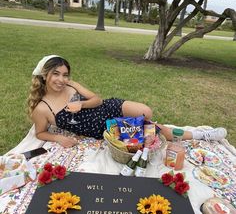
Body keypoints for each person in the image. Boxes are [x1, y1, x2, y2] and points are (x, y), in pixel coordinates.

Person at [28, 55, 227, 148]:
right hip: (103, 127)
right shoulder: (42, 108)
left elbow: (97, 100)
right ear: (44, 75)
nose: (61, 80)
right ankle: (200, 135)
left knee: (146, 111)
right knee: (152, 128)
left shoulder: (71, 86)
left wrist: (82, 104)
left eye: (65, 74)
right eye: (56, 74)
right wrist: (59, 138)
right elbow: (40, 132)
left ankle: (166, 130)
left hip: (106, 107)